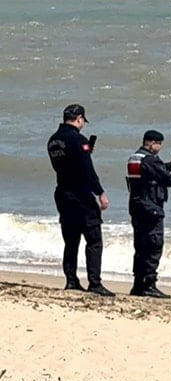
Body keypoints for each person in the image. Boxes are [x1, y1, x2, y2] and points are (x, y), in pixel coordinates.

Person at [47, 103, 114, 296]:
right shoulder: (78, 140)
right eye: (83, 120)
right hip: (80, 195)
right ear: (79, 119)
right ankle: (95, 283)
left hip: (62, 192)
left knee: (71, 239)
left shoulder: (53, 140)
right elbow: (86, 169)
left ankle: (71, 280)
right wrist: (100, 192)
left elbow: (66, 164)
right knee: (94, 239)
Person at [126, 129, 171, 298]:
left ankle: (139, 284)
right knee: (153, 245)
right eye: (159, 144)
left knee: (140, 246)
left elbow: (151, 171)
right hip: (150, 208)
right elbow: (168, 180)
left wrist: (170, 164)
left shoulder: (135, 157)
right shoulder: (149, 160)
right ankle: (148, 284)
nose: (159, 147)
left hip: (137, 206)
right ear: (153, 143)